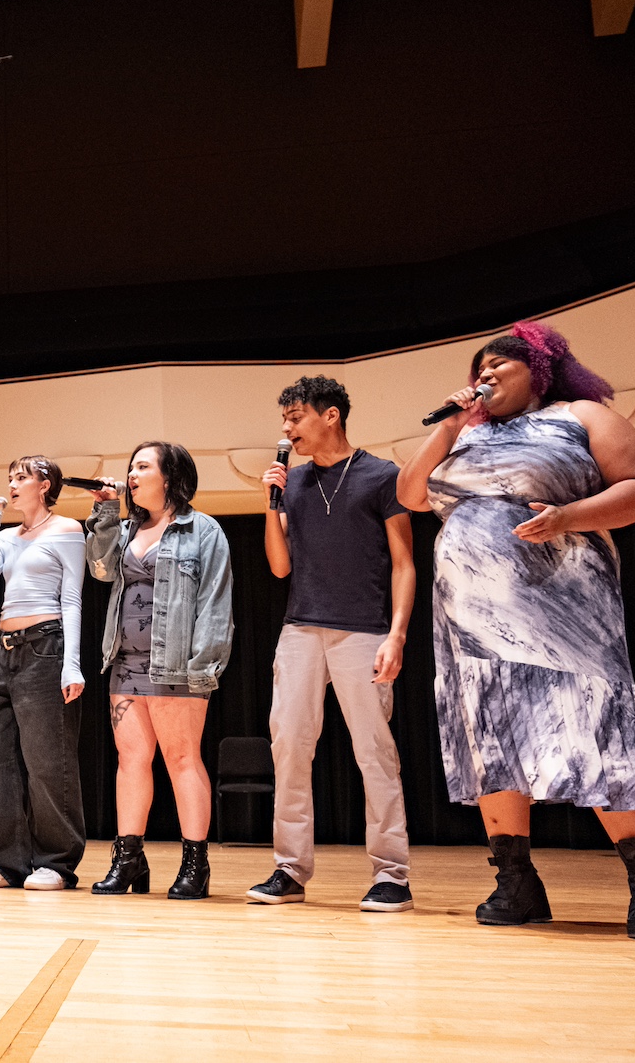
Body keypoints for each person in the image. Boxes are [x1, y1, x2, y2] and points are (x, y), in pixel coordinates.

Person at [395, 321, 635, 940]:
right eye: (479, 369)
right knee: (492, 735)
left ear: (541, 369)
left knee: (600, 726)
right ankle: (516, 881)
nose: (486, 375)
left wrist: (569, 517)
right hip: (471, 623)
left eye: (501, 364)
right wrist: (449, 426)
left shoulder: (580, 415)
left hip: (565, 607)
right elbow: (411, 495)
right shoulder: (464, 434)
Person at [246, 376, 417, 913]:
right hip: (299, 628)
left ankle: (392, 875)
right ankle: (289, 870)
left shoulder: (381, 475)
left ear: (331, 416)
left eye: (296, 417)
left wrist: (397, 633)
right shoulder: (291, 483)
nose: (287, 428)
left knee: (374, 751)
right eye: (285, 419)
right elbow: (279, 567)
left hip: (363, 629)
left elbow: (405, 563)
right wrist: (270, 503)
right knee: (289, 748)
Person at [83, 442, 232, 898]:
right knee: (131, 762)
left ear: (169, 477)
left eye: (143, 467)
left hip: (178, 666)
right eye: (131, 467)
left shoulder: (202, 530)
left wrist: (202, 666)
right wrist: (105, 514)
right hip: (126, 663)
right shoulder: (126, 528)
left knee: (182, 760)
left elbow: (214, 602)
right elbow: (101, 571)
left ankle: (195, 864)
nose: (132, 474)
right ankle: (128, 859)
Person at [0, 455, 86, 891]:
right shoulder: (8, 536)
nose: (13, 484)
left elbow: (71, 599)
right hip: (3, 652)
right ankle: (6, 862)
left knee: (47, 761)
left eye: (21, 477)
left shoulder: (67, 530)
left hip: (45, 645)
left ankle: (56, 861)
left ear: (45, 484)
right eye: (9, 478)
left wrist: (72, 664)